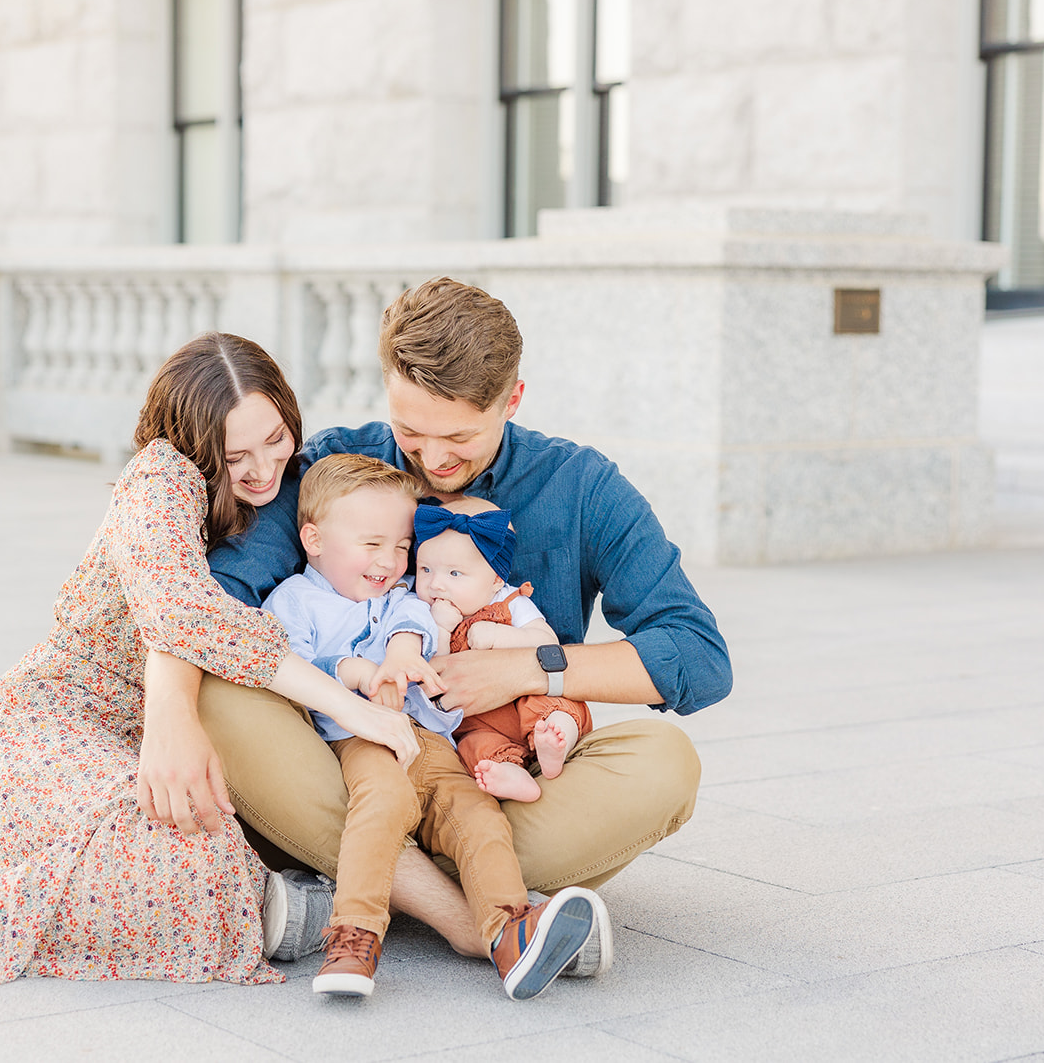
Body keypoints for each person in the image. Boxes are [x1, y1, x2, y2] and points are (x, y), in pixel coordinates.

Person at [0, 333, 422, 990]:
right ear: (198, 446)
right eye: (237, 455)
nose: (264, 467)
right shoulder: (161, 479)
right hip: (48, 726)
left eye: (276, 438)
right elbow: (187, 615)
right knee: (201, 869)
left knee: (199, 847)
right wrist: (351, 708)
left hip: (128, 754)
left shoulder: (293, 487)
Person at [197, 277, 733, 967]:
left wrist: (527, 666)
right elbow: (209, 609)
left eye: (459, 436)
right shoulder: (333, 464)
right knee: (219, 694)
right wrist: (177, 721)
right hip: (345, 772)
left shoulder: (582, 487)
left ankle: (352, 887)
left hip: (496, 786)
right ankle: (475, 914)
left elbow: (698, 655)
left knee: (667, 762)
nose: (433, 457)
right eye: (410, 431)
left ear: (512, 398)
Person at [262, 453, 603, 1000]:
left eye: (401, 548)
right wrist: (352, 670)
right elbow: (284, 668)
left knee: (477, 815)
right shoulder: (295, 602)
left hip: (432, 743)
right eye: (372, 545)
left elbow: (413, 626)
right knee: (384, 803)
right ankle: (354, 936)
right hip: (363, 737)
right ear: (314, 539)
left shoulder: (406, 600)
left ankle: (510, 930)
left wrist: (404, 648)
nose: (390, 562)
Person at [414, 497, 594, 803]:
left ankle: (556, 739)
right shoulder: (421, 612)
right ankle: (508, 771)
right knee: (473, 745)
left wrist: (499, 635)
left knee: (558, 702)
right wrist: (441, 629)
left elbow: (546, 643)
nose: (436, 585)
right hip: (477, 719)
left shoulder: (512, 601)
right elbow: (432, 672)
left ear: (496, 580)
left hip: (523, 697)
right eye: (426, 569)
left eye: (454, 574)